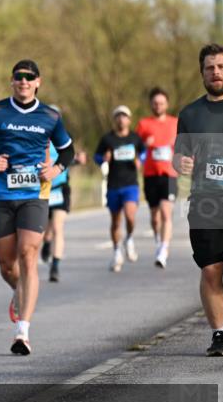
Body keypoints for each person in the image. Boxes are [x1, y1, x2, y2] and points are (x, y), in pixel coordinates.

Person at [0, 60, 75, 355]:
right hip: (3, 194)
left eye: (29, 78)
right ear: (12, 81)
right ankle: (19, 292)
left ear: (38, 82)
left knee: (28, 253)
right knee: (7, 265)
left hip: (34, 195)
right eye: (19, 77)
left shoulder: (50, 116)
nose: (24, 82)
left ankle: (22, 332)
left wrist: (55, 170)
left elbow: (68, 150)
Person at [173, 43, 223, 357]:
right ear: (202, 73)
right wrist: (180, 163)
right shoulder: (190, 114)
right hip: (205, 204)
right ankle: (219, 334)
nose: (216, 72)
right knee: (211, 270)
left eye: (221, 66)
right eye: (210, 67)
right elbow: (179, 156)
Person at [94, 106, 145, 272]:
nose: (121, 119)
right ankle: (116, 252)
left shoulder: (135, 138)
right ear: (115, 120)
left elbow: (144, 153)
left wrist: (140, 161)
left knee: (130, 216)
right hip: (113, 185)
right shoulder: (108, 139)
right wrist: (103, 158)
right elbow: (96, 156)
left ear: (129, 120)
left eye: (124, 116)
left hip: (130, 184)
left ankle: (129, 238)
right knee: (116, 221)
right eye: (118, 116)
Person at [136, 87, 179, 268]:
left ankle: (164, 248)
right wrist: (145, 145)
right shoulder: (144, 124)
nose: (158, 106)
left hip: (169, 174)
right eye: (155, 103)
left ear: (167, 104)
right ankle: (158, 240)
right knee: (155, 217)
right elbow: (135, 149)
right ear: (151, 105)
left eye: (161, 103)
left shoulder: (175, 123)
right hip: (150, 175)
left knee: (165, 212)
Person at [40, 139, 87, 283]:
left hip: (60, 189)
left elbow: (67, 157)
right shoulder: (34, 134)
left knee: (57, 227)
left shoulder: (62, 137)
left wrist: (78, 160)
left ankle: (55, 266)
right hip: (41, 190)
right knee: (45, 230)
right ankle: (47, 244)